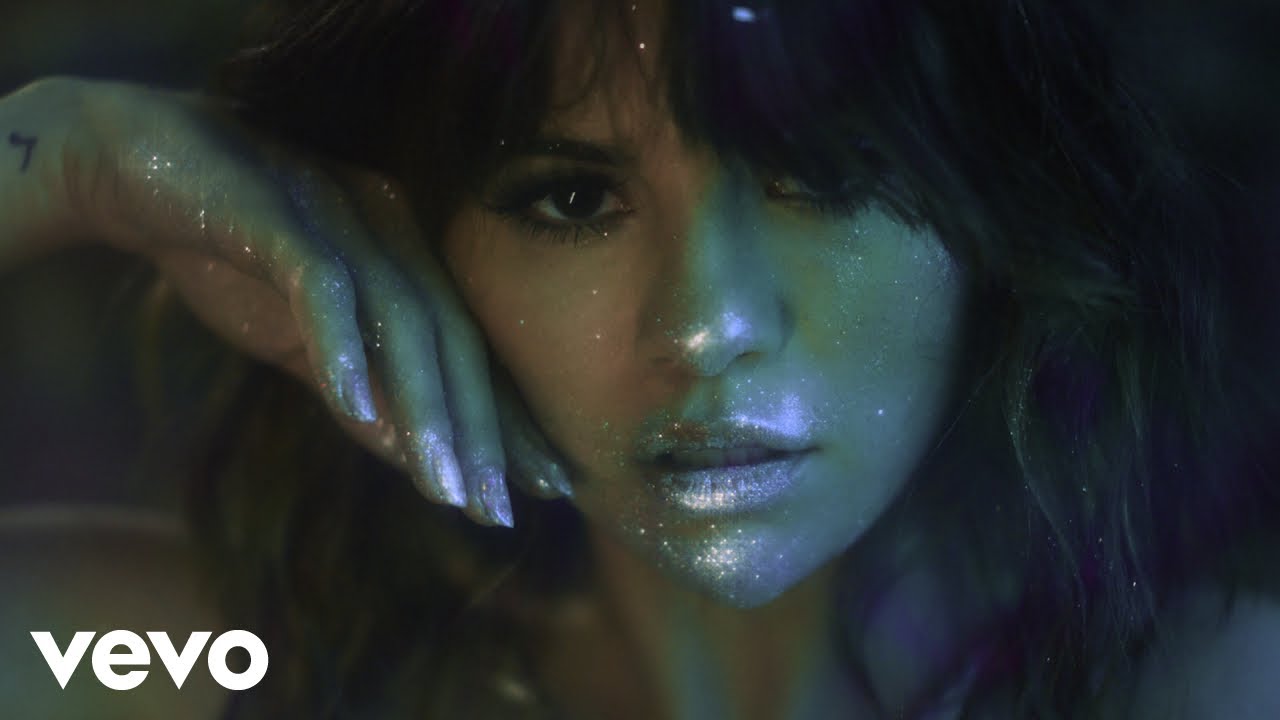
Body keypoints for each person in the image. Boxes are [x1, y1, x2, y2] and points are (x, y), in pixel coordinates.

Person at [2, 0, 1279, 717]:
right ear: (420, 244)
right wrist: (61, 159)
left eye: (825, 179)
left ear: (999, 224)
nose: (704, 323)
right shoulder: (231, 667)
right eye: (569, 200)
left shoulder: (1204, 689)